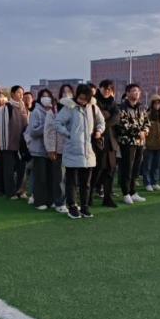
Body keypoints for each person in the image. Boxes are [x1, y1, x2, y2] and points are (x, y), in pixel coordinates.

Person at [55, 84, 105, 219]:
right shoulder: (69, 107)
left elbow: (101, 122)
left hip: (88, 150)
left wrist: (99, 131)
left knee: (86, 183)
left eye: (85, 99)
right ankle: (72, 207)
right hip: (73, 149)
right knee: (71, 181)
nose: (82, 101)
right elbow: (57, 123)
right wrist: (68, 134)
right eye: (80, 98)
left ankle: (84, 207)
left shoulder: (93, 107)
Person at [25, 89, 64, 211]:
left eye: (48, 96)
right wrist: (47, 126)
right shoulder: (36, 111)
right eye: (43, 96)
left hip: (52, 149)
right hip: (39, 150)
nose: (46, 98)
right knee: (40, 177)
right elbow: (33, 131)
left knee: (51, 177)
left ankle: (50, 200)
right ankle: (39, 201)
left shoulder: (54, 110)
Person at [0, 89, 27, 200]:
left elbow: (25, 124)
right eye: (18, 92)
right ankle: (10, 192)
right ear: (13, 94)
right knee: (8, 169)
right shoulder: (7, 108)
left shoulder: (22, 107)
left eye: (22, 93)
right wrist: (4, 144)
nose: (21, 95)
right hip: (8, 145)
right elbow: (2, 127)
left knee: (21, 168)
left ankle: (19, 190)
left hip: (21, 144)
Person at [115, 84, 150, 205]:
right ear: (127, 93)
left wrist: (144, 131)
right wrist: (138, 132)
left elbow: (147, 122)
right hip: (127, 142)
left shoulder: (141, 107)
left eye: (138, 91)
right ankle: (126, 193)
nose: (137, 93)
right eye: (134, 91)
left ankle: (133, 191)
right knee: (127, 167)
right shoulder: (122, 107)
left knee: (136, 168)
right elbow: (123, 124)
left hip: (140, 142)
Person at [91, 81, 119, 207]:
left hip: (111, 141)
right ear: (100, 88)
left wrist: (104, 123)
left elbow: (116, 118)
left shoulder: (113, 102)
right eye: (105, 88)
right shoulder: (94, 101)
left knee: (110, 170)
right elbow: (97, 117)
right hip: (98, 140)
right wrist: (105, 119)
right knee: (97, 170)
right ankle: (89, 196)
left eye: (110, 89)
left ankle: (107, 197)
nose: (107, 91)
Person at [142, 95, 160, 192]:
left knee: (157, 165)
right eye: (155, 103)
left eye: (159, 103)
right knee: (147, 165)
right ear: (152, 104)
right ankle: (147, 183)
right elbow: (143, 129)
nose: (157, 105)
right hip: (149, 144)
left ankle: (155, 182)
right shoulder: (147, 115)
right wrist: (144, 143)